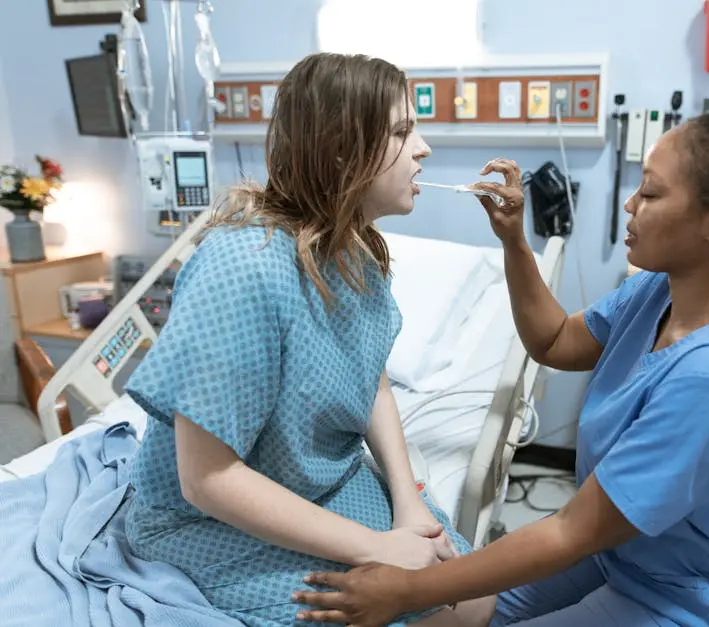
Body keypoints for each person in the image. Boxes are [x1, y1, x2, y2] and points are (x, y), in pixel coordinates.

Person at [289, 109, 709, 626]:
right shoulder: (661, 292)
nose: (631, 205)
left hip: (693, 597)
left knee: (428, 604)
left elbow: (570, 531)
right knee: (450, 619)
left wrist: (407, 589)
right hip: (623, 555)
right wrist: (514, 240)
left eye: (652, 193)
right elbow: (557, 341)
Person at [120, 52, 495, 627]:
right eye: (401, 131)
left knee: (470, 589)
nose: (423, 148)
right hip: (211, 521)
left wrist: (408, 500)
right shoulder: (243, 269)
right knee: (433, 610)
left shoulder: (356, 250)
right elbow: (206, 480)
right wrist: (375, 548)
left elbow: (370, 379)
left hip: (325, 481)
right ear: (344, 149)